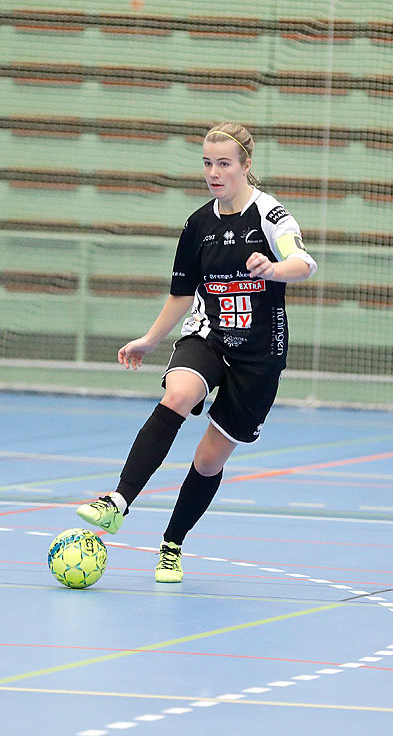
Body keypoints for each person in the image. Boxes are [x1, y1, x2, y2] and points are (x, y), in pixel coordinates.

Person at [76, 123, 317, 583]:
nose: (213, 172)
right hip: (207, 336)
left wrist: (273, 269)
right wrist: (150, 339)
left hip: (260, 355)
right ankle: (118, 502)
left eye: (224, 163)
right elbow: (182, 294)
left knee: (209, 460)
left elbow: (304, 263)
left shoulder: (272, 215)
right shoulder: (198, 224)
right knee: (178, 395)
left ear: (246, 165)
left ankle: (172, 544)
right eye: (207, 163)